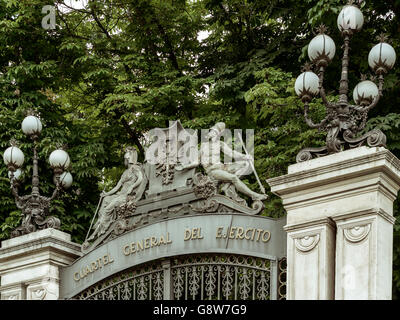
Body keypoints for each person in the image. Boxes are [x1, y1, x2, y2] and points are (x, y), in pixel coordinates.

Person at [88, 147, 146, 240]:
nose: (125, 159)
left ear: (130, 158)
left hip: (127, 196)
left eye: (126, 157)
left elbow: (140, 178)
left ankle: (99, 232)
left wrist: (132, 186)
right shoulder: (125, 172)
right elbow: (117, 187)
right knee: (106, 200)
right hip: (120, 194)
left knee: (109, 207)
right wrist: (106, 194)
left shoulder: (135, 168)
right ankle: (100, 226)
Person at [200, 122, 267, 201]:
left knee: (245, 164)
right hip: (213, 171)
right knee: (234, 177)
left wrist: (245, 156)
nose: (213, 134)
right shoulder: (204, 146)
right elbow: (197, 160)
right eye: (212, 132)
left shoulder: (220, 144)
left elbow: (231, 153)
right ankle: (254, 195)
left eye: (215, 132)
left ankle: (227, 185)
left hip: (223, 167)